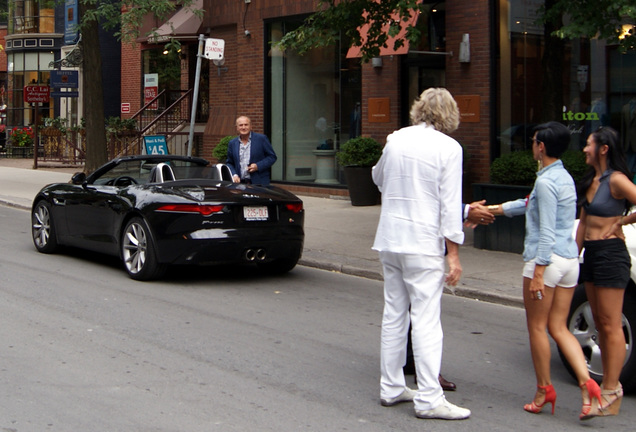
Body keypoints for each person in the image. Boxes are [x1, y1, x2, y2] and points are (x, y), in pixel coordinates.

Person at [487, 122, 602, 420]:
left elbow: (546, 229)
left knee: (537, 328)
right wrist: (496, 210)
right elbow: (530, 204)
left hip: (546, 260)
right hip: (568, 263)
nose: (533, 145)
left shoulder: (546, 182)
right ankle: (587, 384)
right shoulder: (561, 176)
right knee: (559, 327)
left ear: (541, 147)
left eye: (535, 141)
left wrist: (538, 271)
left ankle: (543, 390)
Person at [372, 87, 470, 420]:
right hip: (423, 243)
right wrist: (452, 254)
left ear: (419, 109)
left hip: (390, 238)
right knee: (426, 320)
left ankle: (392, 386)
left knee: (394, 314)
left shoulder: (397, 139)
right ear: (450, 113)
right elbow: (449, 204)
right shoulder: (450, 148)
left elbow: (378, 178)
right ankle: (429, 397)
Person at [575, 126, 636, 418]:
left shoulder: (617, 180)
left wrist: (623, 222)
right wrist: (571, 259)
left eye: (589, 144)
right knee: (600, 323)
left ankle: (612, 389)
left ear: (603, 149)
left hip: (612, 255)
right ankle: (608, 388)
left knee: (612, 324)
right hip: (592, 256)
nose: (585, 149)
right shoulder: (591, 180)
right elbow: (583, 225)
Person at [226, 116, 277, 185]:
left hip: (259, 183)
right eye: (241, 125)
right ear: (237, 128)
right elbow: (229, 163)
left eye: (246, 125)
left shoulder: (261, 139)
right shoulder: (232, 143)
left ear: (251, 126)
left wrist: (258, 166)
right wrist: (234, 174)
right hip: (240, 183)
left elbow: (272, 157)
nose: (243, 127)